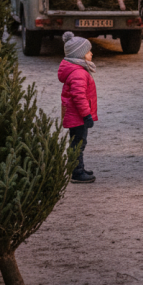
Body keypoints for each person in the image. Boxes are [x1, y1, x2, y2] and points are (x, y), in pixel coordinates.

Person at [58, 32, 98, 184]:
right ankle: (76, 172)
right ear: (79, 54)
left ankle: (78, 167)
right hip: (77, 116)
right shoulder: (78, 73)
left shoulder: (77, 70)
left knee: (78, 142)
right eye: (88, 51)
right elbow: (79, 97)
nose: (91, 53)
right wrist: (86, 115)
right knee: (78, 143)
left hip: (76, 115)